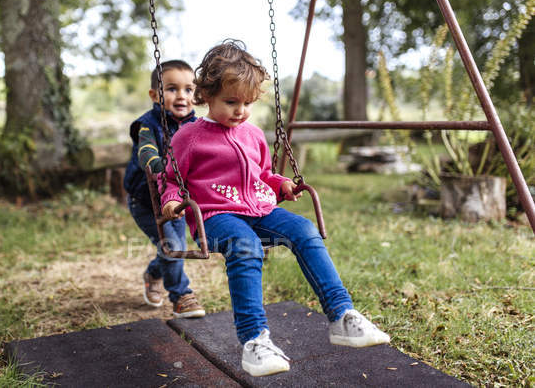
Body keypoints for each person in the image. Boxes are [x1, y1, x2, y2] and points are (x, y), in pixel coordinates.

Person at [161, 40, 390, 377]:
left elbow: (262, 174)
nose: (240, 111)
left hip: (259, 208)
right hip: (214, 215)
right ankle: (255, 340)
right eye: (231, 102)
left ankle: (342, 316)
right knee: (246, 247)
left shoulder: (252, 134)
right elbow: (171, 178)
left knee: (304, 230)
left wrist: (280, 183)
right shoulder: (190, 136)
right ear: (206, 95)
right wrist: (170, 200)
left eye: (247, 103)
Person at [123, 59, 205, 318]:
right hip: (146, 201)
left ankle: (153, 273)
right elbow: (146, 153)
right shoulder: (147, 125)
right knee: (173, 244)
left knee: (173, 245)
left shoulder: (197, 127)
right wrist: (162, 167)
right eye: (172, 89)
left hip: (176, 201)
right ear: (155, 95)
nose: (181, 96)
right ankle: (181, 295)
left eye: (188, 89)